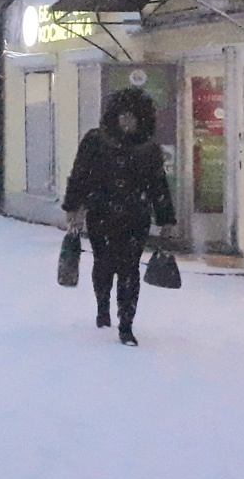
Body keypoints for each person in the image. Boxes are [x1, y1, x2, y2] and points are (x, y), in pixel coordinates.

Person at [62, 87, 176, 347]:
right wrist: (73, 206)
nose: (127, 121)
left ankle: (126, 324)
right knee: (103, 264)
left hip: (136, 216)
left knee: (130, 269)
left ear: (142, 119)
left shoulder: (148, 149)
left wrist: (165, 217)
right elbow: (80, 175)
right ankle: (103, 306)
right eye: (123, 116)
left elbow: (158, 184)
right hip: (102, 213)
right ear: (114, 116)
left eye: (133, 117)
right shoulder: (95, 141)